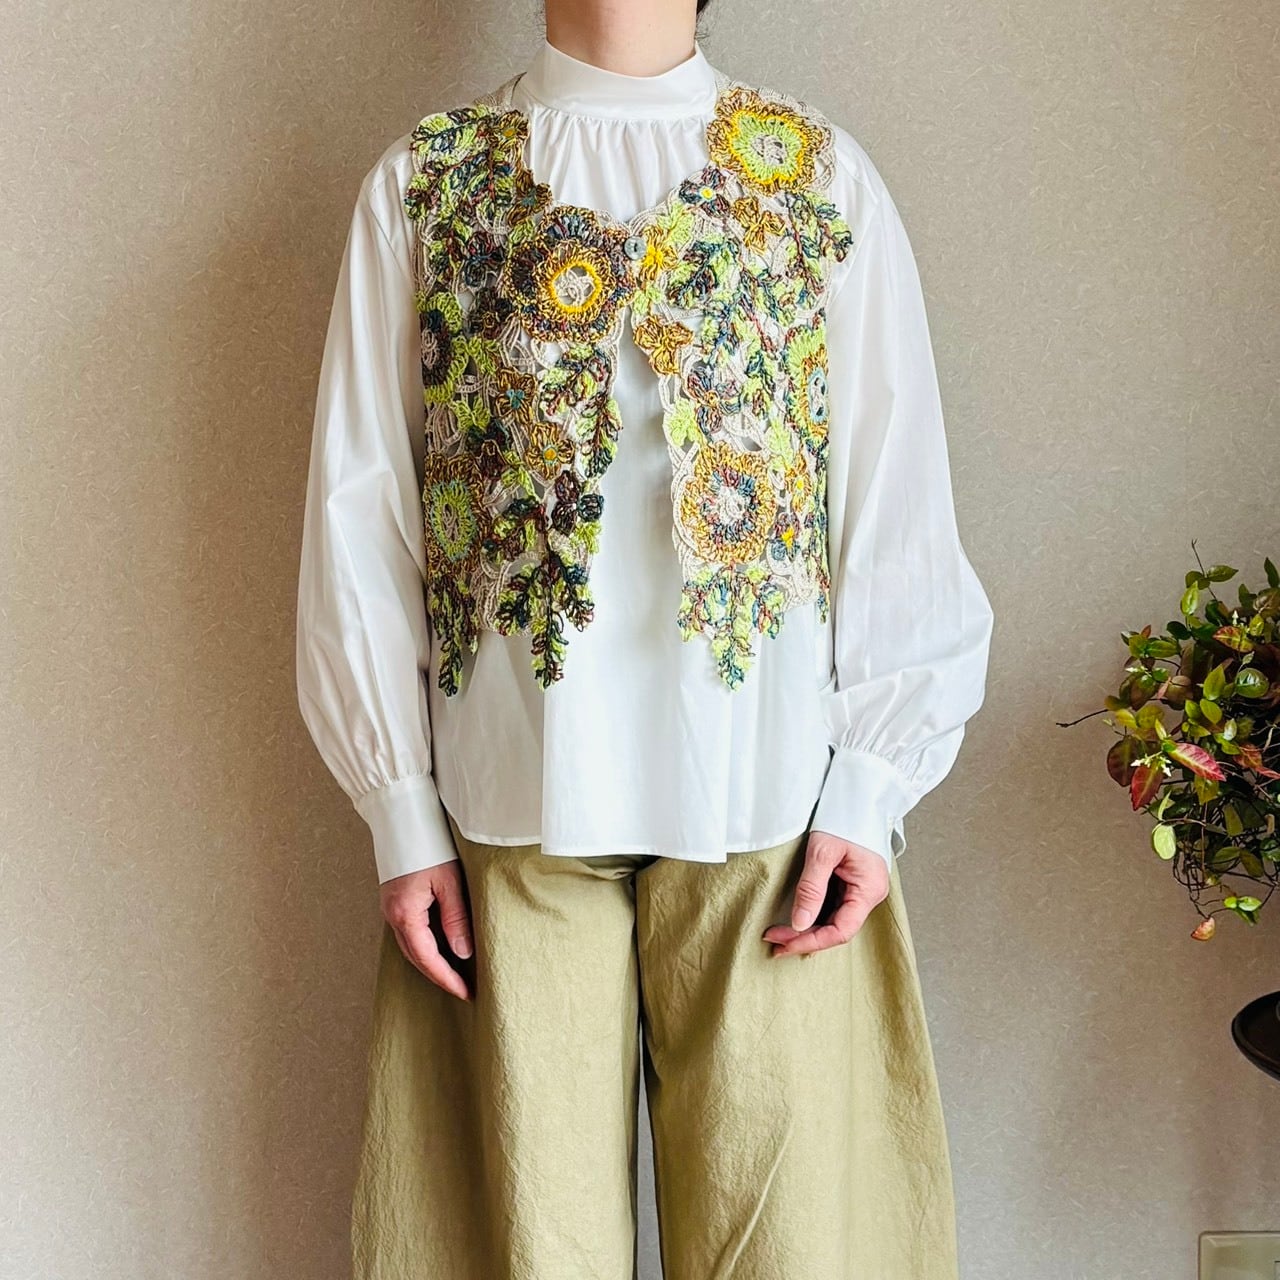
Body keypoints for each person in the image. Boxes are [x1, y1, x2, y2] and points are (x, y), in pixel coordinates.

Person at [295, 1, 995, 1276]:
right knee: (521, 1246)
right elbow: (362, 506)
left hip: (771, 811)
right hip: (507, 807)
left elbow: (891, 487)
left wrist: (871, 784)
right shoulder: (425, 183)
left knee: (792, 1244)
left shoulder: (815, 173)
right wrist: (397, 805)